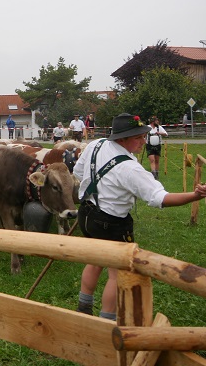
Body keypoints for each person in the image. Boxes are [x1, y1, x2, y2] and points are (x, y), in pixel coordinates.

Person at [73, 113, 206, 320]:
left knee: (95, 260)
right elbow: (160, 198)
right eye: (138, 137)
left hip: (86, 214)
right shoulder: (129, 168)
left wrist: (100, 188)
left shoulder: (96, 145)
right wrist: (195, 195)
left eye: (143, 136)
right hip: (110, 222)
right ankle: (106, 322)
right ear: (122, 138)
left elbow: (79, 171)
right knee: (117, 273)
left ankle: (83, 308)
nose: (143, 141)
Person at [146, 116, 168, 180]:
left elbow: (166, 134)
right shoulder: (147, 128)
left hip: (158, 145)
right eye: (156, 120)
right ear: (153, 121)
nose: (158, 122)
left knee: (157, 160)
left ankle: (157, 174)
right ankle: (153, 175)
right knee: (152, 160)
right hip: (149, 146)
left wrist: (159, 133)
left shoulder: (159, 127)